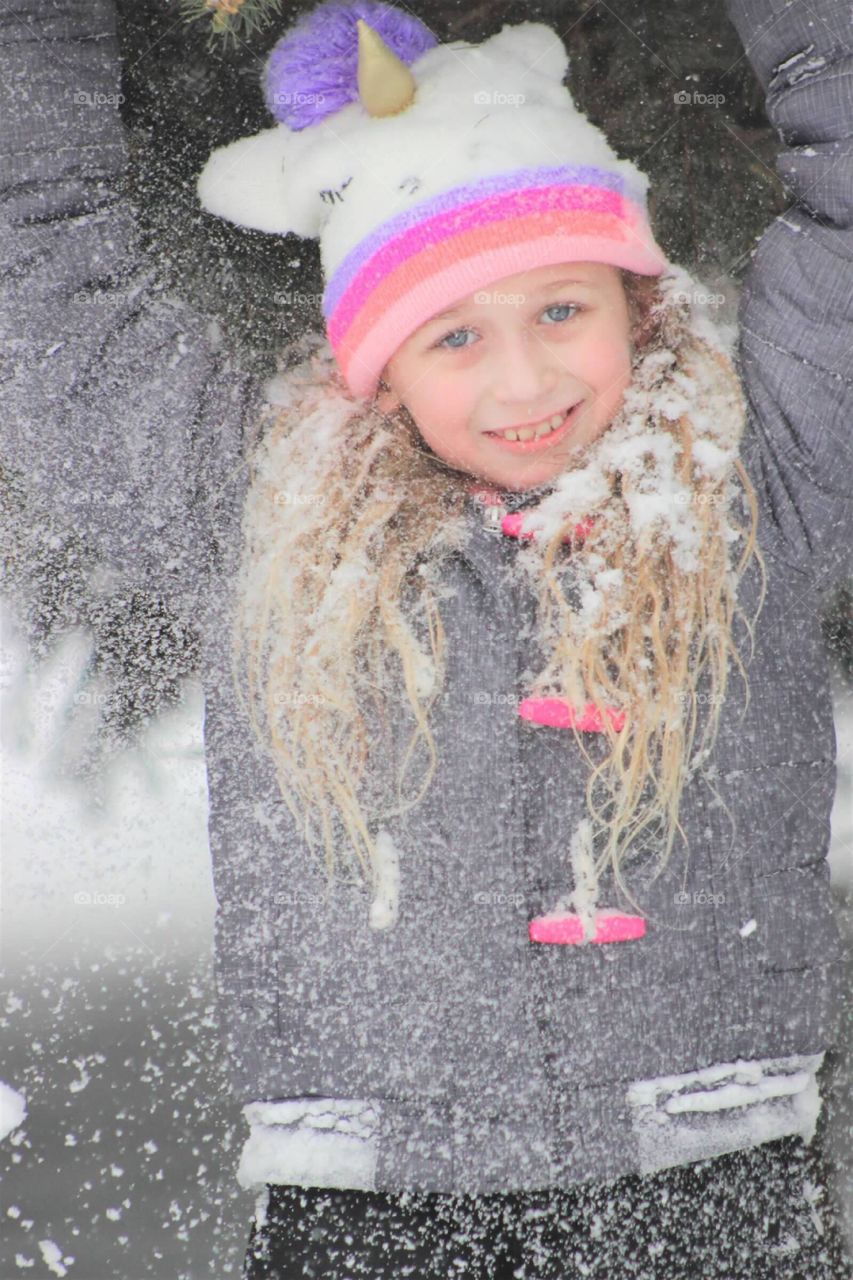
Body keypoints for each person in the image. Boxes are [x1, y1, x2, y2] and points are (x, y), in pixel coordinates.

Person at [2, 1, 851, 1277]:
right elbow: (41, 272)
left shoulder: (753, 484)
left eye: (564, 309)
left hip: (720, 1193)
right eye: (454, 335)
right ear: (378, 367)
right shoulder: (258, 519)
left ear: (637, 300)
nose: (524, 383)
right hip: (368, 1211)